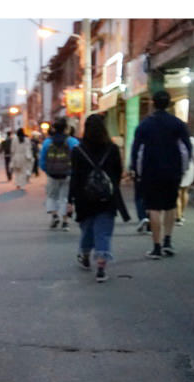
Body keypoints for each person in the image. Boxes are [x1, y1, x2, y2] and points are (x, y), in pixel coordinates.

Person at [130, 90, 192, 259]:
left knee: (154, 208)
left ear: (153, 103)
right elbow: (186, 149)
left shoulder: (144, 125)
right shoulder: (178, 124)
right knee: (170, 206)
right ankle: (168, 242)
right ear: (169, 104)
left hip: (151, 172)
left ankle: (156, 247)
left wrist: (136, 171)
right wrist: (183, 170)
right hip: (173, 172)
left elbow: (137, 151)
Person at [68, 114, 125, 283]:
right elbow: (118, 172)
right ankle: (101, 266)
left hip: (84, 197)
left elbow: (75, 177)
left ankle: (85, 255)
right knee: (104, 231)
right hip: (107, 197)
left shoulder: (78, 151)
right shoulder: (112, 149)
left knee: (88, 228)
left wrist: (70, 200)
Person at [40, 118, 80, 231]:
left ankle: (54, 216)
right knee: (65, 197)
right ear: (66, 128)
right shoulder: (72, 141)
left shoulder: (47, 142)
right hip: (68, 174)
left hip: (52, 174)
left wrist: (47, 170)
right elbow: (78, 158)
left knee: (52, 196)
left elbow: (42, 160)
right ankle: (65, 222)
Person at [176, 135, 194, 226]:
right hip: (189, 169)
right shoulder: (192, 140)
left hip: (176, 169)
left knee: (177, 193)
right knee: (185, 192)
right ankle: (181, 214)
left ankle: (178, 216)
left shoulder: (171, 138)